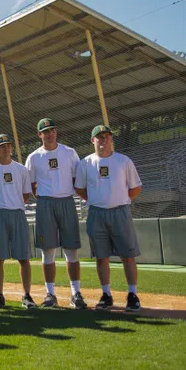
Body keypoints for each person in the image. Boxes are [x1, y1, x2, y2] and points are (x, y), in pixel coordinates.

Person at [75, 125, 143, 312]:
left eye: (107, 136)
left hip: (120, 211)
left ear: (111, 139)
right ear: (92, 140)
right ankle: (106, 294)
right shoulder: (85, 163)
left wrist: (121, 199)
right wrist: (96, 199)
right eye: (99, 137)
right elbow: (79, 188)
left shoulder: (123, 161)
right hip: (96, 213)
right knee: (101, 256)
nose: (103, 140)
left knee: (128, 256)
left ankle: (132, 294)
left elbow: (136, 188)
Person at [25, 118, 88, 309]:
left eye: (53, 130)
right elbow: (32, 185)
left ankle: (75, 293)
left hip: (67, 201)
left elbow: (78, 178)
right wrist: (46, 198)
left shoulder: (69, 152)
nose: (50, 133)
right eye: (46, 131)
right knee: (48, 251)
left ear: (56, 132)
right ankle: (50, 294)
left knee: (71, 250)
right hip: (45, 204)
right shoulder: (34, 157)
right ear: (40, 135)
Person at [0, 133, 37, 310]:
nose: (6, 148)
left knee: (23, 257)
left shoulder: (21, 169)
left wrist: (14, 203)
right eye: (2, 146)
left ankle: (27, 295)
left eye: (8, 145)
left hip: (18, 214)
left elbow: (26, 193)